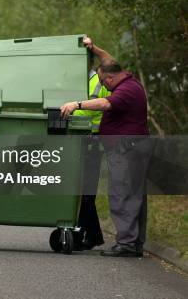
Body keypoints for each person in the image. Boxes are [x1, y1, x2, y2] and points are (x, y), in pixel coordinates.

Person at [60, 36, 151, 257]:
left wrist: (76, 104)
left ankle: (127, 245)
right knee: (135, 196)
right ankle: (134, 244)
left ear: (110, 78)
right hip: (134, 146)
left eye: (104, 82)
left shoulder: (126, 90)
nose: (103, 86)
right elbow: (110, 61)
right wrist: (94, 48)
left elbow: (104, 104)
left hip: (125, 148)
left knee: (122, 195)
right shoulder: (129, 80)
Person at [72, 51, 111, 250]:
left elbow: (88, 109)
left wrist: (67, 110)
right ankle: (93, 235)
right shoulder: (80, 81)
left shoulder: (96, 81)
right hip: (83, 141)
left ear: (87, 63)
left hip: (93, 142)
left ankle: (82, 235)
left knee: (86, 192)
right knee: (83, 191)